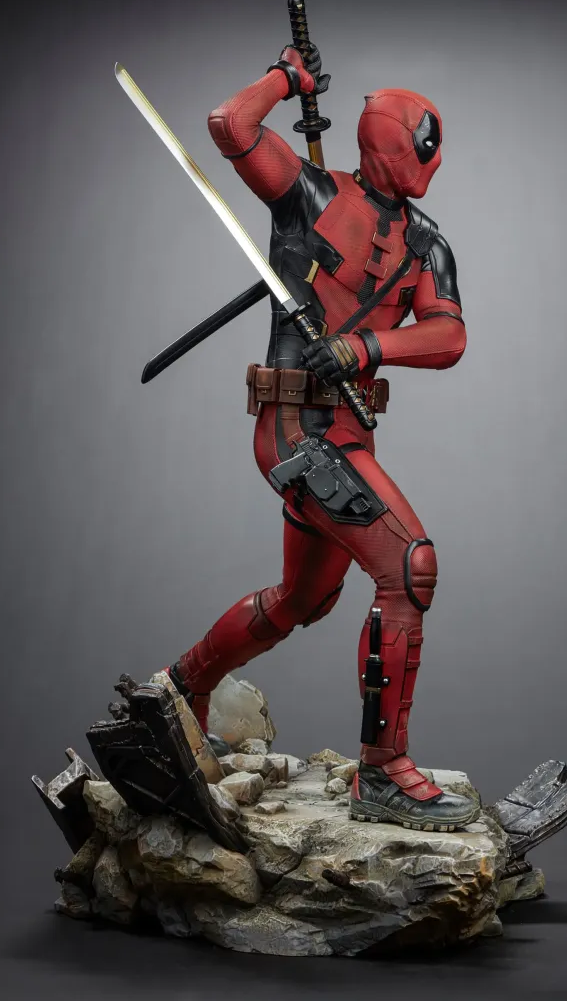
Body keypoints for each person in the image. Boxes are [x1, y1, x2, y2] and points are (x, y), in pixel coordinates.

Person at [164, 43, 473, 831]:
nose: (428, 161)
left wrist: (366, 347)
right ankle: (384, 771)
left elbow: (448, 336)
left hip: (347, 433)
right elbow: (230, 126)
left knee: (304, 598)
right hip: (295, 428)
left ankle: (180, 690)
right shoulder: (308, 194)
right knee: (409, 566)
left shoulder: (426, 243)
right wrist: (285, 80)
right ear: (390, 149)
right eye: (418, 147)